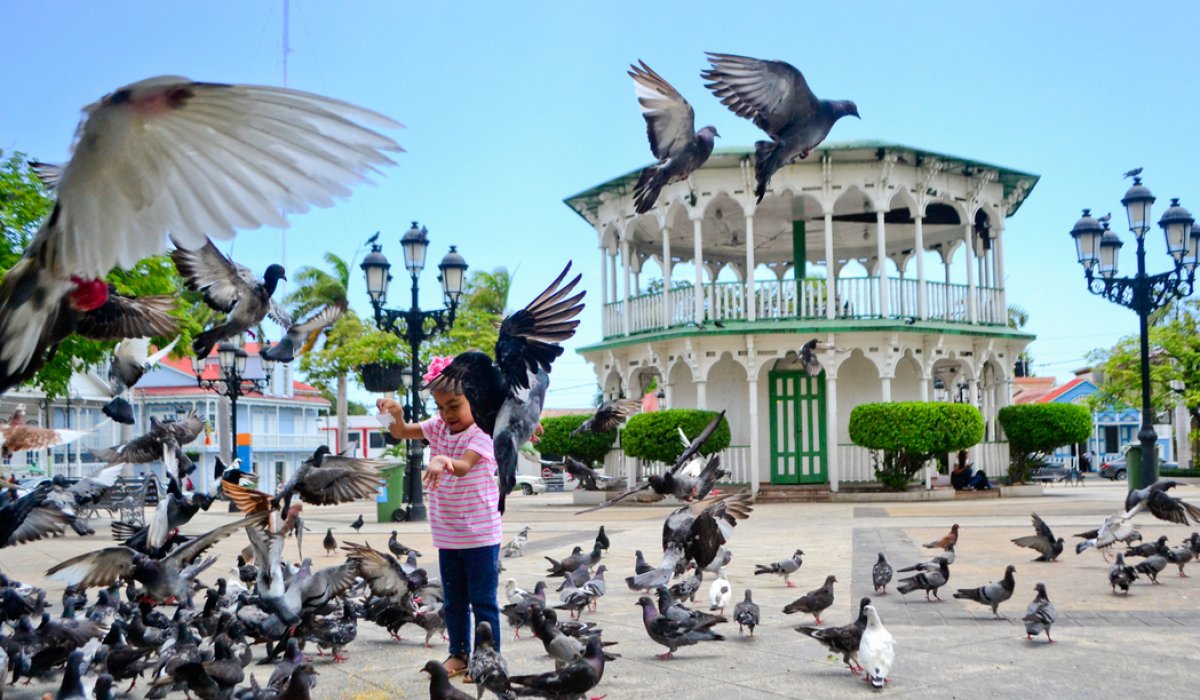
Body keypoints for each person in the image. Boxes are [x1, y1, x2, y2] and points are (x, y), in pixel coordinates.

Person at [377, 356, 502, 680]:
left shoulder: (482, 433)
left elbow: (463, 466)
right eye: (441, 407)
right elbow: (402, 431)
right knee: (454, 602)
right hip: (448, 535)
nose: (447, 414)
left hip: (480, 535)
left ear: (474, 398)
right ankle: (458, 654)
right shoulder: (437, 426)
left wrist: (442, 460)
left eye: (454, 406)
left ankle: (487, 660)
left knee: (484, 603)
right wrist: (397, 415)